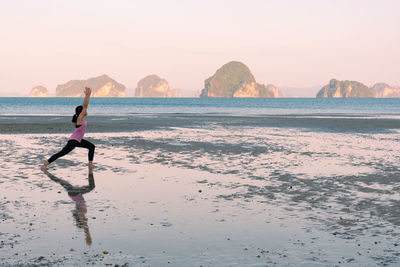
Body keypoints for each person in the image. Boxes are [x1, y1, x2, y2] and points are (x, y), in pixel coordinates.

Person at [41, 87, 95, 169]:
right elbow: (85, 106)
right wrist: (88, 95)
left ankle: (90, 164)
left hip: (78, 140)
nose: (86, 111)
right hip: (73, 141)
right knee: (61, 153)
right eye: (84, 111)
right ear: (81, 112)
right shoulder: (79, 119)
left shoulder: (81, 119)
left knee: (91, 146)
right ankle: (45, 164)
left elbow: (84, 107)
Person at [42, 168, 95, 245]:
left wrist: (88, 235)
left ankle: (45, 172)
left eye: (83, 221)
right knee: (61, 182)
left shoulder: (81, 213)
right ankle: (46, 172)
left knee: (91, 186)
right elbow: (83, 222)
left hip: (75, 193)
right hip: (75, 194)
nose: (86, 220)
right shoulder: (80, 213)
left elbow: (84, 223)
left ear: (80, 220)